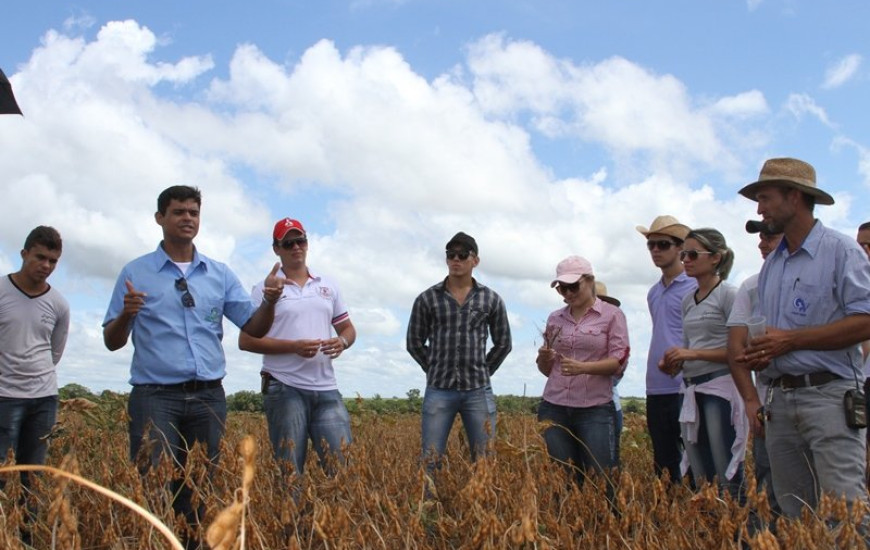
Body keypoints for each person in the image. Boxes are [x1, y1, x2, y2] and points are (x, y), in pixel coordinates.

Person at [102, 185, 282, 544]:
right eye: (179, 212)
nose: (188, 218)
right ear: (160, 218)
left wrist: (271, 301)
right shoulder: (135, 272)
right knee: (153, 486)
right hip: (155, 397)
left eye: (193, 213)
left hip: (207, 398)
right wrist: (126, 313)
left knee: (200, 488)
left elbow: (253, 327)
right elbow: (112, 340)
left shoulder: (219, 273)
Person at [737, 157, 870, 519]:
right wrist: (762, 353)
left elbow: (866, 321)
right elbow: (773, 334)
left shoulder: (842, 251)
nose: (760, 210)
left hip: (830, 398)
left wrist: (790, 342)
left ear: (794, 197)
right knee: (797, 514)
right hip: (781, 400)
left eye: (765, 198)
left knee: (846, 512)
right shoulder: (773, 265)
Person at [239, 218, 356, 478]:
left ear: (307, 243)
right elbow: (246, 340)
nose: (296, 247)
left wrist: (342, 342)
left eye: (300, 240)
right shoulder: (264, 289)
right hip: (284, 387)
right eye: (288, 243)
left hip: (326, 389)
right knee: (290, 473)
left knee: (343, 471)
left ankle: (338, 519)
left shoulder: (328, 285)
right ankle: (293, 520)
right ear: (276, 249)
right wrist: (294, 347)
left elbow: (348, 329)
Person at [406, 232, 512, 471]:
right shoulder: (427, 299)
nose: (456, 259)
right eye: (450, 255)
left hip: (477, 391)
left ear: (475, 260)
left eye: (462, 255)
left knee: (485, 460)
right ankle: (429, 506)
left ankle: (481, 506)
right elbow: (414, 342)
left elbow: (504, 343)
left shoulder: (491, 299)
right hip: (439, 389)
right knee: (430, 459)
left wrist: (483, 371)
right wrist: (433, 367)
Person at [661, 228, 747, 500]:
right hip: (692, 388)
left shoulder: (729, 295)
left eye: (693, 254)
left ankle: (736, 530)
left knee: (726, 468)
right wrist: (674, 363)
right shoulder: (690, 300)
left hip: (720, 386)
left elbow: (740, 351)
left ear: (716, 258)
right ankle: (713, 528)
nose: (686, 259)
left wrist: (692, 355)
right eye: (684, 253)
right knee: (700, 473)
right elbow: (690, 346)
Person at [0, 226, 69, 542]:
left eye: (53, 261)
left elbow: (55, 351)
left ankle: (24, 539)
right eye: (40, 257)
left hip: (43, 398)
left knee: (33, 477)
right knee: (3, 474)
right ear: (24, 253)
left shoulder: (58, 304)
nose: (46, 266)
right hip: (3, 396)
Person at [536, 258, 629, 488]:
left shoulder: (612, 315)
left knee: (602, 480)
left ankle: (605, 524)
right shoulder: (554, 318)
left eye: (573, 286)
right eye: (562, 288)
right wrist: (543, 359)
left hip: (595, 408)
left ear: (590, 281)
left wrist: (584, 368)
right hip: (554, 405)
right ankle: (570, 523)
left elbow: (619, 362)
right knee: (563, 480)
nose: (568, 293)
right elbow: (548, 370)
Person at [726, 220, 783, 517]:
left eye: (770, 237)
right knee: (768, 487)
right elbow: (735, 348)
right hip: (768, 400)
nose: (762, 244)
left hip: (818, 397)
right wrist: (751, 400)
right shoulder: (751, 286)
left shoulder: (829, 271)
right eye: (761, 238)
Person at [636, 215, 696, 484]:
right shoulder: (653, 292)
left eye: (663, 244)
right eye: (651, 246)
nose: (655, 251)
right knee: (664, 464)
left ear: (680, 248)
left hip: (686, 385)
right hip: (656, 386)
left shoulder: (696, 286)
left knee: (695, 463)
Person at [595, 281, 626, 465]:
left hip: (607, 404)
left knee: (609, 464)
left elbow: (617, 371)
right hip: (581, 406)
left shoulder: (614, 329)